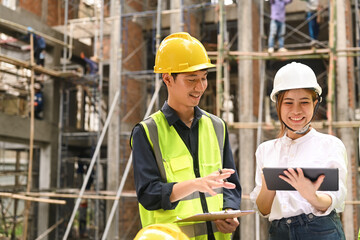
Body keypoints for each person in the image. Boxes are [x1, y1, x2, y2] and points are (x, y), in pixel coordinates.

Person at [130, 32, 242, 240]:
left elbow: (231, 185)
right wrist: (194, 184)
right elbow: (149, 195)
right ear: (167, 79)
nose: (200, 87)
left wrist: (229, 212)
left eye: (204, 78)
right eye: (192, 80)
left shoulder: (217, 127)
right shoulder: (147, 132)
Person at [250, 62, 347, 240]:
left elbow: (337, 198)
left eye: (304, 102)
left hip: (321, 231)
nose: (296, 111)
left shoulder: (330, 145)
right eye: (288, 103)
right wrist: (268, 185)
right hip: (279, 233)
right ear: (277, 104)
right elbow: (263, 209)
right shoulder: (266, 150)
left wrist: (313, 197)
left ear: (315, 103)